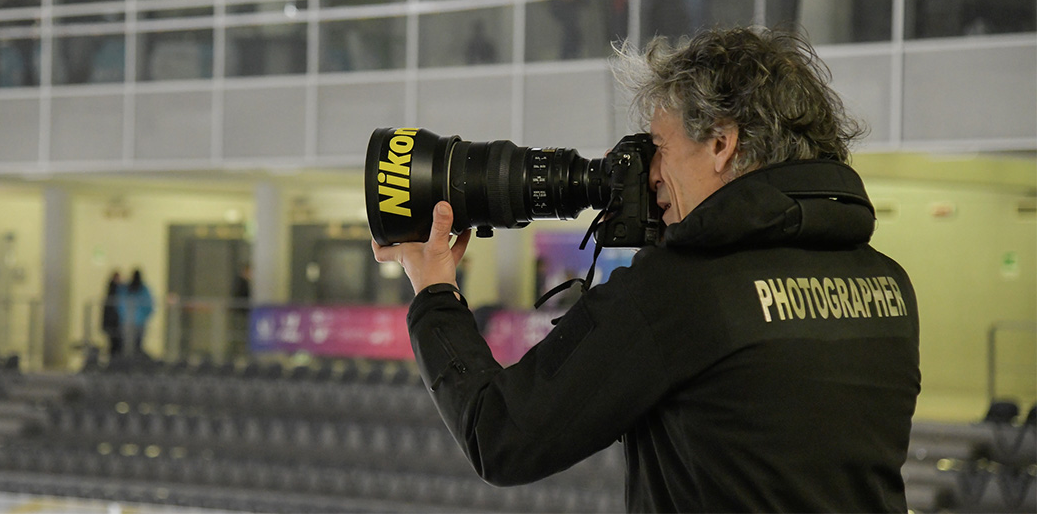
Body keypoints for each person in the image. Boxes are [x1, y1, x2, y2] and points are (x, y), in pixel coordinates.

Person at [373, 26, 921, 512]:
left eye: (660, 146)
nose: (649, 170)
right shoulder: (888, 285)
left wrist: (433, 290)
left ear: (721, 144)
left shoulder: (685, 292)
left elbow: (503, 437)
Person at [119, 268, 155, 357]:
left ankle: (132, 360)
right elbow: (149, 305)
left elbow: (120, 305)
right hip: (136, 321)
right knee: (132, 344)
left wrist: (124, 316)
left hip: (130, 321)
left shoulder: (128, 289)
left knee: (131, 344)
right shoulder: (141, 289)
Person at [100, 270, 123, 359]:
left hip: (112, 322)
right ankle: (114, 362)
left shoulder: (113, 291)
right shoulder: (114, 291)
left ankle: (114, 361)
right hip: (112, 322)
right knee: (114, 343)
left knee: (114, 344)